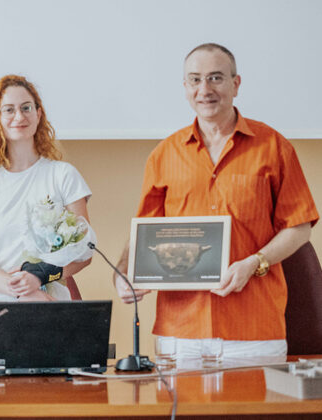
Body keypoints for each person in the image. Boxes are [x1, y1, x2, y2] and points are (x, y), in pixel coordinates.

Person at [114, 43, 318, 358]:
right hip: (180, 332)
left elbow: (299, 227)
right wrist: (123, 273)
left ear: (236, 84)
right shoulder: (165, 154)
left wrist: (254, 264)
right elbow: (145, 230)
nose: (204, 89)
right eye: (195, 80)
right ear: (185, 88)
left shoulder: (274, 147)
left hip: (254, 330)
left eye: (216, 78)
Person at [0, 75, 94, 353]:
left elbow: (85, 251)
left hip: (51, 301)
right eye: (8, 109)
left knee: (52, 391)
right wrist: (19, 288)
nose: (18, 116)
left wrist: (39, 279)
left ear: (39, 113)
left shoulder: (63, 175)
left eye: (26, 107)